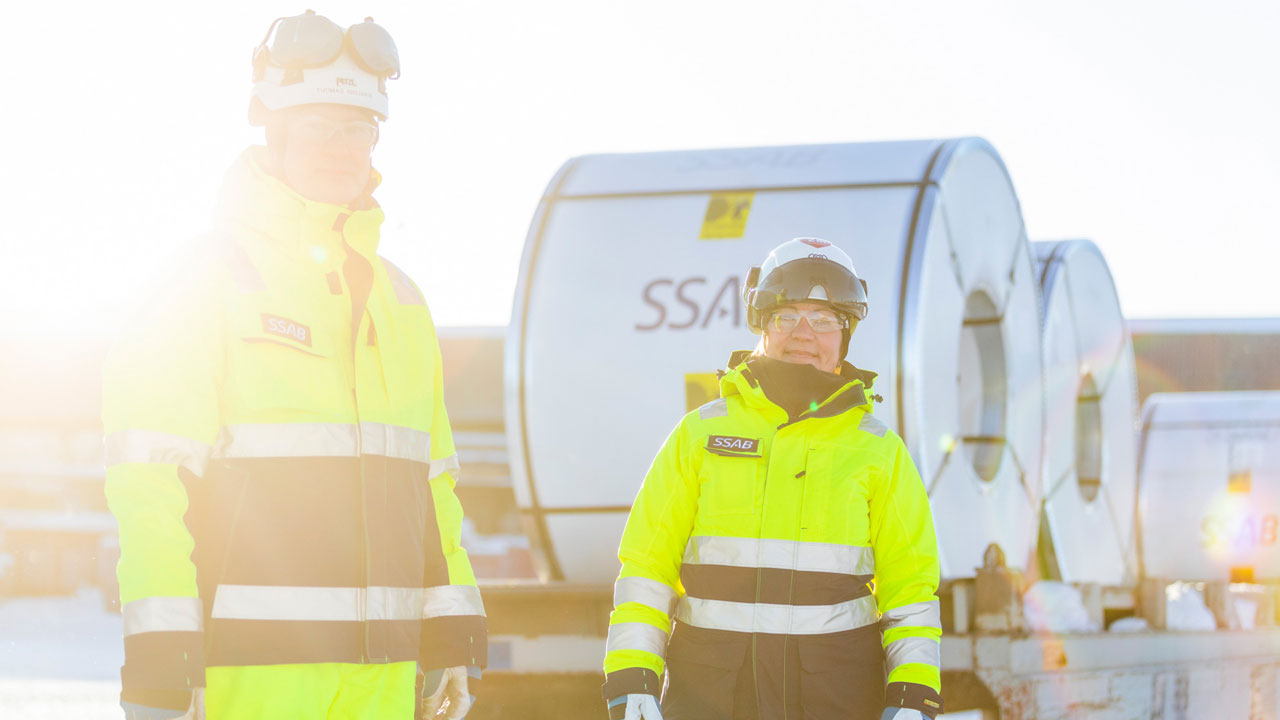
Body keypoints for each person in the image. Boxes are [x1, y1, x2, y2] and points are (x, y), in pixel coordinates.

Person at [102, 11, 484, 719]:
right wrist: (163, 660)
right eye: (318, 126)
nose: (343, 147)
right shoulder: (198, 281)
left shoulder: (402, 300)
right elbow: (149, 485)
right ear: (271, 131)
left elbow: (432, 488)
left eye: (360, 127)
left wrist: (451, 636)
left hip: (385, 675)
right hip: (247, 674)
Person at [601, 238, 944, 720]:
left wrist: (914, 691)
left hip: (837, 699)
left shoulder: (879, 449)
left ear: (846, 336)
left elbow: (910, 587)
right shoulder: (701, 434)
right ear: (761, 324)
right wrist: (632, 671)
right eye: (787, 316)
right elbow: (646, 566)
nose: (804, 333)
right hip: (711, 698)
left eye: (825, 320)